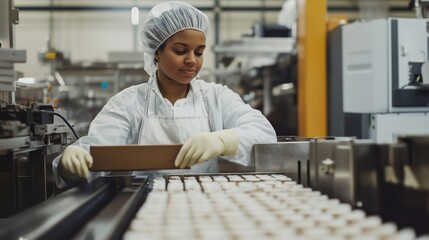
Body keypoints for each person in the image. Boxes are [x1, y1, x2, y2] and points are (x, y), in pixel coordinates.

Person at [53, 1, 277, 188]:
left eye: (199, 52)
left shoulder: (216, 98)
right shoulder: (129, 104)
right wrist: (71, 160)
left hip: (207, 206)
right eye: (180, 51)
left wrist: (221, 140)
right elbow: (96, 152)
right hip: (144, 209)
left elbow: (264, 134)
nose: (192, 60)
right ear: (156, 52)